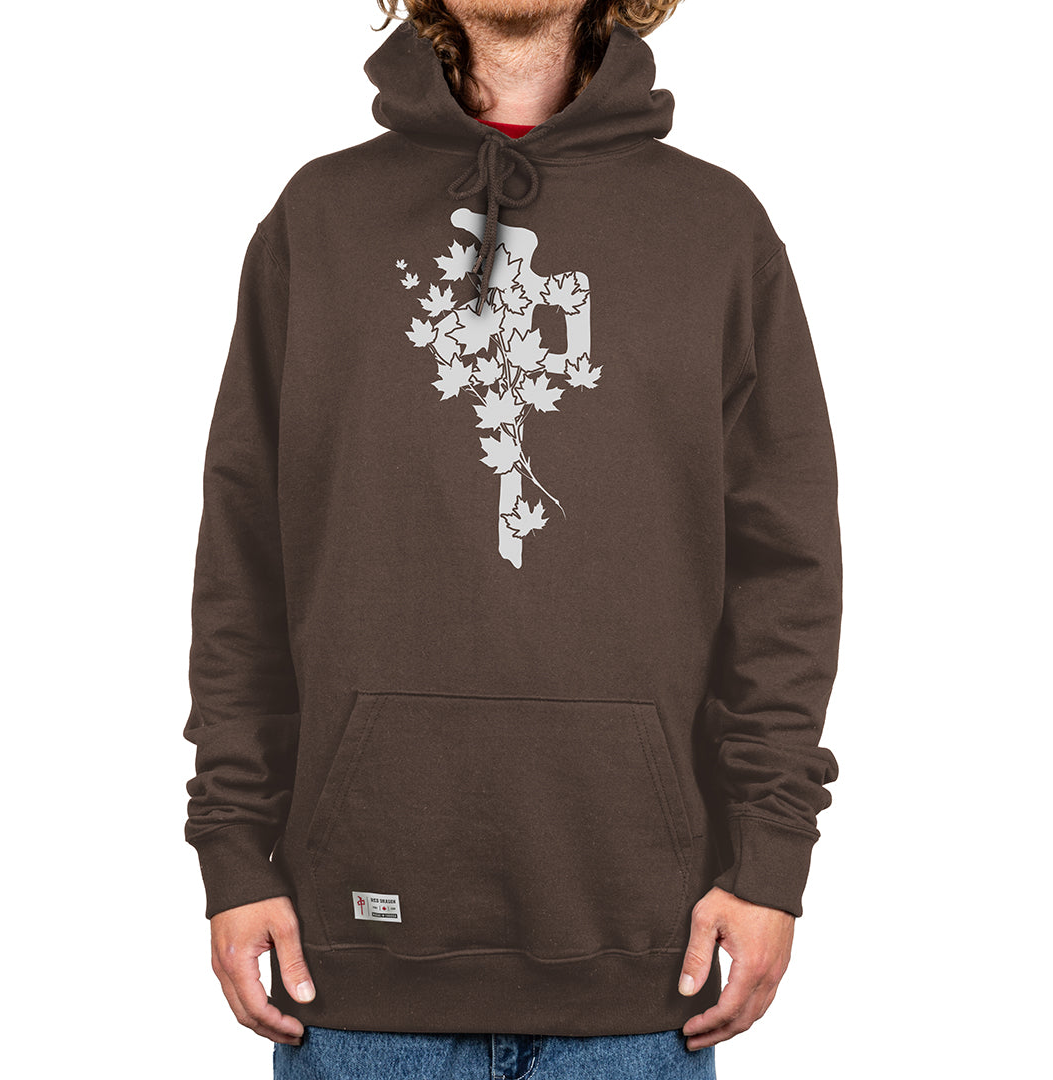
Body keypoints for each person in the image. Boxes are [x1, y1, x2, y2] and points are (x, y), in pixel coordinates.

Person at [182, 1, 843, 1076]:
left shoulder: (716, 229)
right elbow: (244, 562)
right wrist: (230, 849)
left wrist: (772, 857)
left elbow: (786, 576)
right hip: (352, 962)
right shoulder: (320, 220)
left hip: (644, 957)